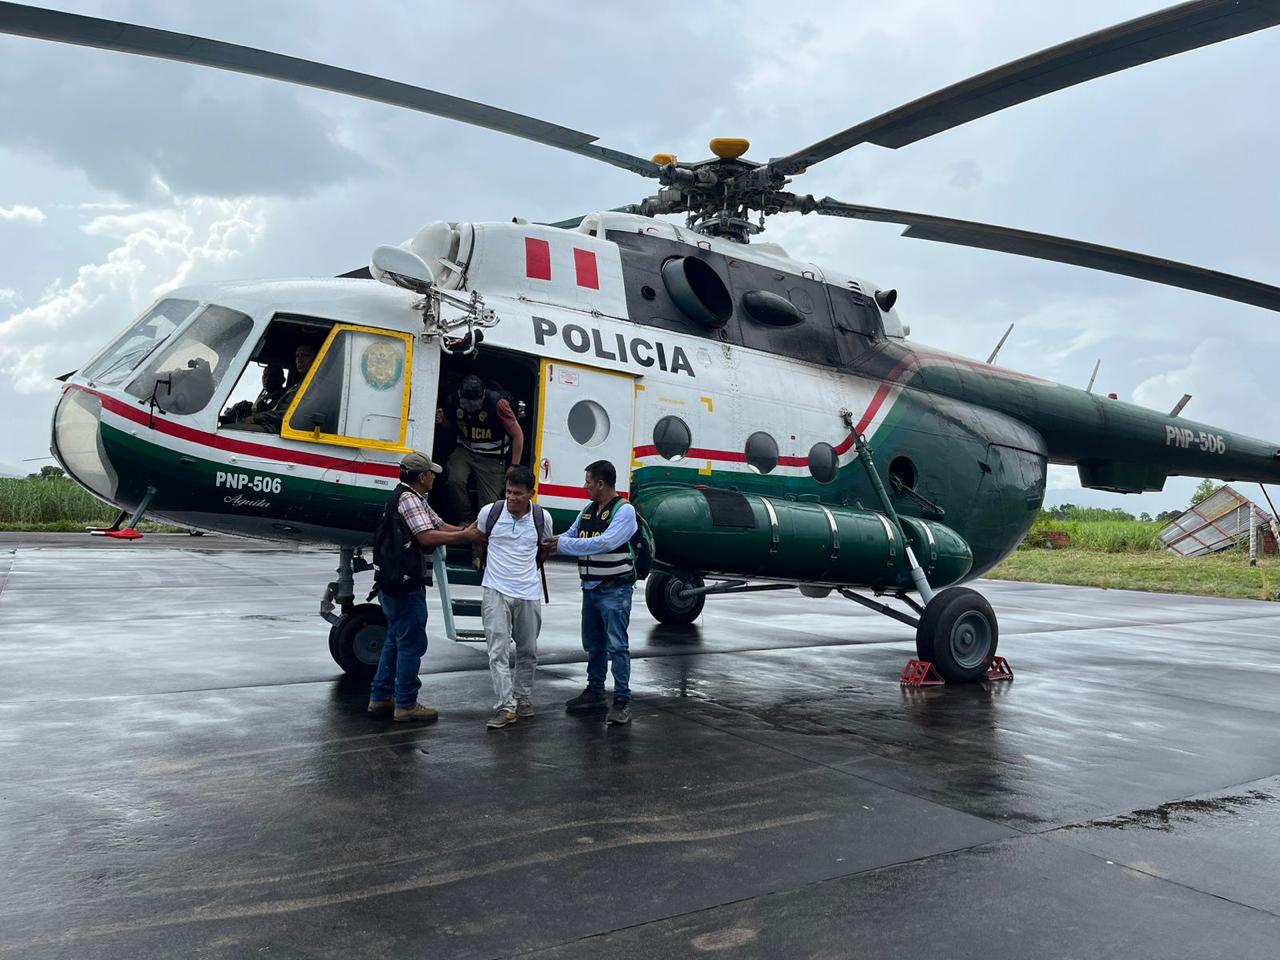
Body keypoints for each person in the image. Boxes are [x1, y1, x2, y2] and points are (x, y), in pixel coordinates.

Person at [368, 450, 480, 722]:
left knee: (395, 639)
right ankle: (406, 703)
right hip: (406, 585)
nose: (434, 478)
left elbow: (439, 524)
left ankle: (380, 698)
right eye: (431, 474)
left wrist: (468, 532)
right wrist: (466, 535)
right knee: (411, 643)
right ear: (421, 477)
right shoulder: (410, 500)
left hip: (390, 582)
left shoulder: (408, 497)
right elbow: (427, 536)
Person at [547, 459, 638, 726]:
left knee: (617, 646)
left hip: (614, 590)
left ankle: (622, 701)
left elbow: (605, 542)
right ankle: (595, 692)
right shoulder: (589, 510)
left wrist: (560, 545)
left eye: (588, 481)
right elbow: (572, 534)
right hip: (591, 588)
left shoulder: (624, 512)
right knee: (594, 644)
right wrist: (550, 541)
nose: (585, 486)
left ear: (600, 483)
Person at [474, 465, 554, 730]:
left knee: (528, 650)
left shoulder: (542, 517)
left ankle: (523, 697)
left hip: (529, 592)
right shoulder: (491, 512)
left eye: (518, 493)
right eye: (508, 491)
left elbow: (543, 549)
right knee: (497, 651)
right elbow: (479, 538)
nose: (511, 498)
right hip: (496, 590)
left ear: (531, 494)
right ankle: (505, 706)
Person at [437, 374, 524, 522]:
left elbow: (518, 434)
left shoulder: (499, 404)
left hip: (492, 456)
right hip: (465, 449)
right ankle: (466, 520)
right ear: (460, 394)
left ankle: (482, 527)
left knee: (489, 505)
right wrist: (442, 421)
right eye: (467, 403)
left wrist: (514, 465)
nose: (471, 407)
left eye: (475, 403)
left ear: (483, 396)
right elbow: (450, 426)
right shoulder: (453, 400)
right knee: (455, 480)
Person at [239, 343, 317, 433]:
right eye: (297, 356)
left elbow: (292, 414)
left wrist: (256, 418)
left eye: (305, 355)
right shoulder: (299, 385)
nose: (299, 359)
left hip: (280, 430)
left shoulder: (314, 386)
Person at [220, 364, 285, 426]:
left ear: (282, 380)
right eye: (265, 375)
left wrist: (254, 417)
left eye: (272, 376)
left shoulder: (283, 397)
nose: (267, 379)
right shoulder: (265, 396)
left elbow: (277, 416)